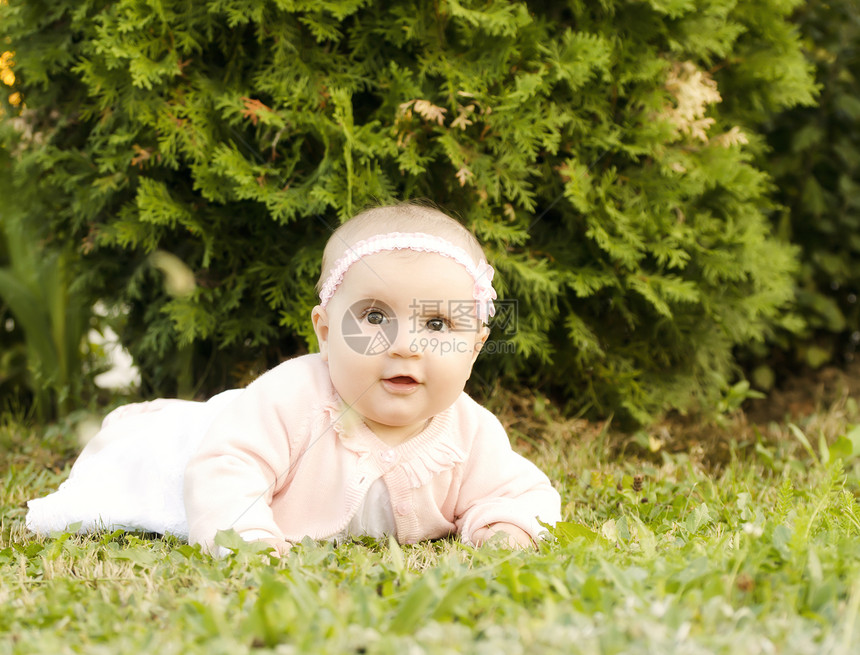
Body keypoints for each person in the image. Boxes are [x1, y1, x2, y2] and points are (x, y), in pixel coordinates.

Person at [26, 203, 561, 555]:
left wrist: (504, 527)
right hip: (204, 441)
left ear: (475, 346)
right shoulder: (292, 399)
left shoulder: (469, 430)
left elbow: (519, 491)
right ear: (325, 333)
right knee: (151, 464)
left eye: (438, 324)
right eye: (374, 317)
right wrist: (249, 536)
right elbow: (226, 466)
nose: (405, 344)